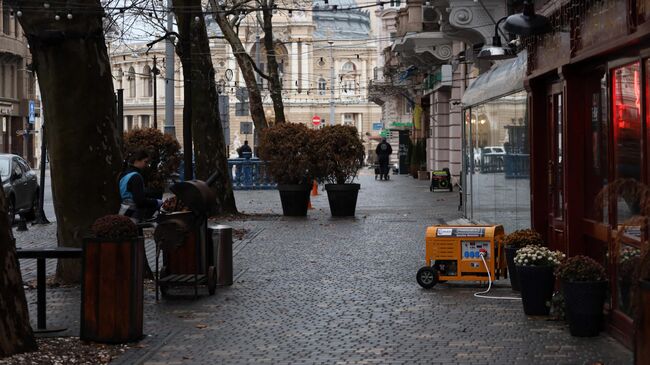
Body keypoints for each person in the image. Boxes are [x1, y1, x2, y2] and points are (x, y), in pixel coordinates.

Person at [119, 149, 162, 222]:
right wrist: (157, 202)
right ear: (136, 160)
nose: (147, 165)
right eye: (145, 162)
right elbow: (139, 201)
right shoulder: (136, 176)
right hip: (133, 214)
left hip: (124, 210)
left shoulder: (123, 174)